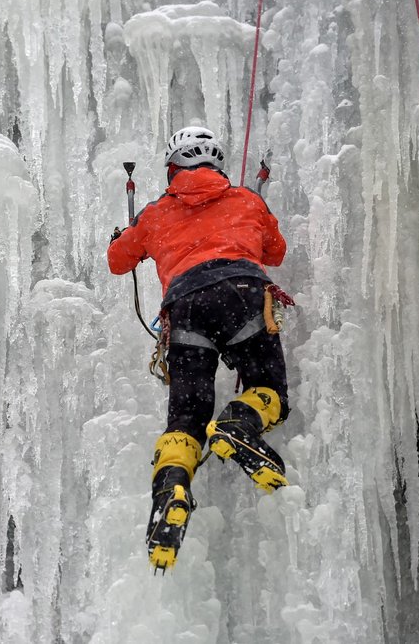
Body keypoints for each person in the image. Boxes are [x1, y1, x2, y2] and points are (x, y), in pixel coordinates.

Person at [107, 126, 290, 571]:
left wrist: (126, 234)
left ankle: (172, 486)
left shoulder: (154, 213)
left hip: (186, 306)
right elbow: (277, 252)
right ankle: (238, 424)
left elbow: (117, 262)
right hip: (245, 293)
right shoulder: (247, 199)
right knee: (270, 392)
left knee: (186, 418)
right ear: (217, 165)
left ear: (173, 168)